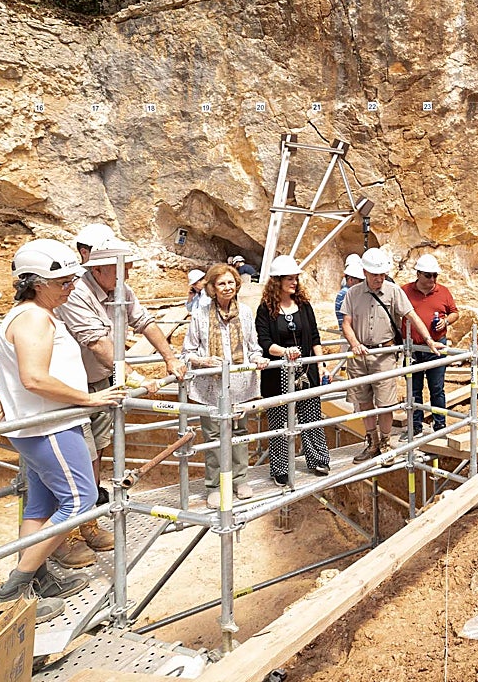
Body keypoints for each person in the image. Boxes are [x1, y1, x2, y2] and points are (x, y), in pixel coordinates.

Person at [0, 239, 127, 622]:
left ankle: (39, 577)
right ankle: (14, 591)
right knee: (80, 500)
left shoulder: (33, 314)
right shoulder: (34, 318)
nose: (71, 287)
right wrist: (87, 400)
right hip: (50, 426)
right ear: (36, 282)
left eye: (72, 280)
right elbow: (34, 377)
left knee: (41, 505)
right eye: (63, 282)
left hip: (42, 424)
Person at [54, 236, 187, 566]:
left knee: (95, 451)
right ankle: (65, 534)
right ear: (99, 269)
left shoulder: (119, 289)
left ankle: (87, 523)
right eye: (123, 268)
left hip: (99, 383)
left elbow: (145, 322)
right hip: (70, 388)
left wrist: (169, 357)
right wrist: (133, 378)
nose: (128, 274)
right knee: (73, 457)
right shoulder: (78, 295)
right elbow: (97, 342)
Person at [340, 247, 444, 465]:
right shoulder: (353, 293)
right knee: (365, 402)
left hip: (384, 354)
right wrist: (355, 344)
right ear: (365, 273)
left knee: (386, 403)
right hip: (360, 355)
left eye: (382, 274)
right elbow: (346, 323)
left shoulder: (393, 291)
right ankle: (372, 443)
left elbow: (411, 315)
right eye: (375, 274)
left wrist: (429, 340)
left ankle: (386, 443)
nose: (379, 278)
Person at [182, 263, 267, 508]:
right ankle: (215, 485)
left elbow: (253, 347)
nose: (227, 287)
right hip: (211, 388)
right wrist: (204, 360)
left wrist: (257, 359)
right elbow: (187, 352)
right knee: (213, 436)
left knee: (240, 432)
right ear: (211, 288)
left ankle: (240, 480)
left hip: (240, 386)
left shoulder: (246, 313)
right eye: (221, 283)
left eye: (231, 282)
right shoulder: (200, 314)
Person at [256, 255, 331, 482]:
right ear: (277, 281)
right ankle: (280, 469)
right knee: (279, 421)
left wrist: (322, 365)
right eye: (289, 279)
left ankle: (318, 459)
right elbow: (264, 342)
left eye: (296, 278)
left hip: (305, 372)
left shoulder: (304, 306)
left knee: (311, 415)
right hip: (277, 373)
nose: (294, 283)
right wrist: (285, 352)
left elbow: (315, 336)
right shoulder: (265, 309)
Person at [401, 253, 459, 439]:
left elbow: (455, 313)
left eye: (435, 275)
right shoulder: (404, 291)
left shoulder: (443, 291)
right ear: (418, 274)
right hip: (414, 348)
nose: (432, 279)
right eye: (428, 275)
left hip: (437, 348)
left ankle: (439, 426)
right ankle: (415, 426)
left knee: (437, 388)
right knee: (414, 388)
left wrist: (446, 322)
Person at [334, 254, 364, 331]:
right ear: (350, 279)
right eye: (360, 280)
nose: (362, 283)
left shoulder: (346, 292)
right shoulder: (346, 294)